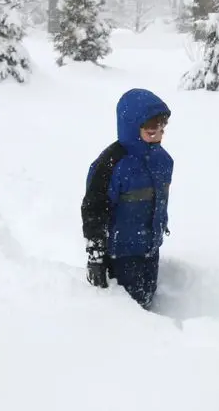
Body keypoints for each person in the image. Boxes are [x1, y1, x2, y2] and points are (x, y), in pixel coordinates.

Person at [81, 88, 174, 309]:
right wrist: (96, 256)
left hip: (151, 247)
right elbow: (93, 210)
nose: (159, 135)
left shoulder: (163, 161)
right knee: (130, 312)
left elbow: (159, 200)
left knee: (148, 297)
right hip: (122, 253)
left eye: (162, 128)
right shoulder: (111, 165)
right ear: (132, 127)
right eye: (151, 131)